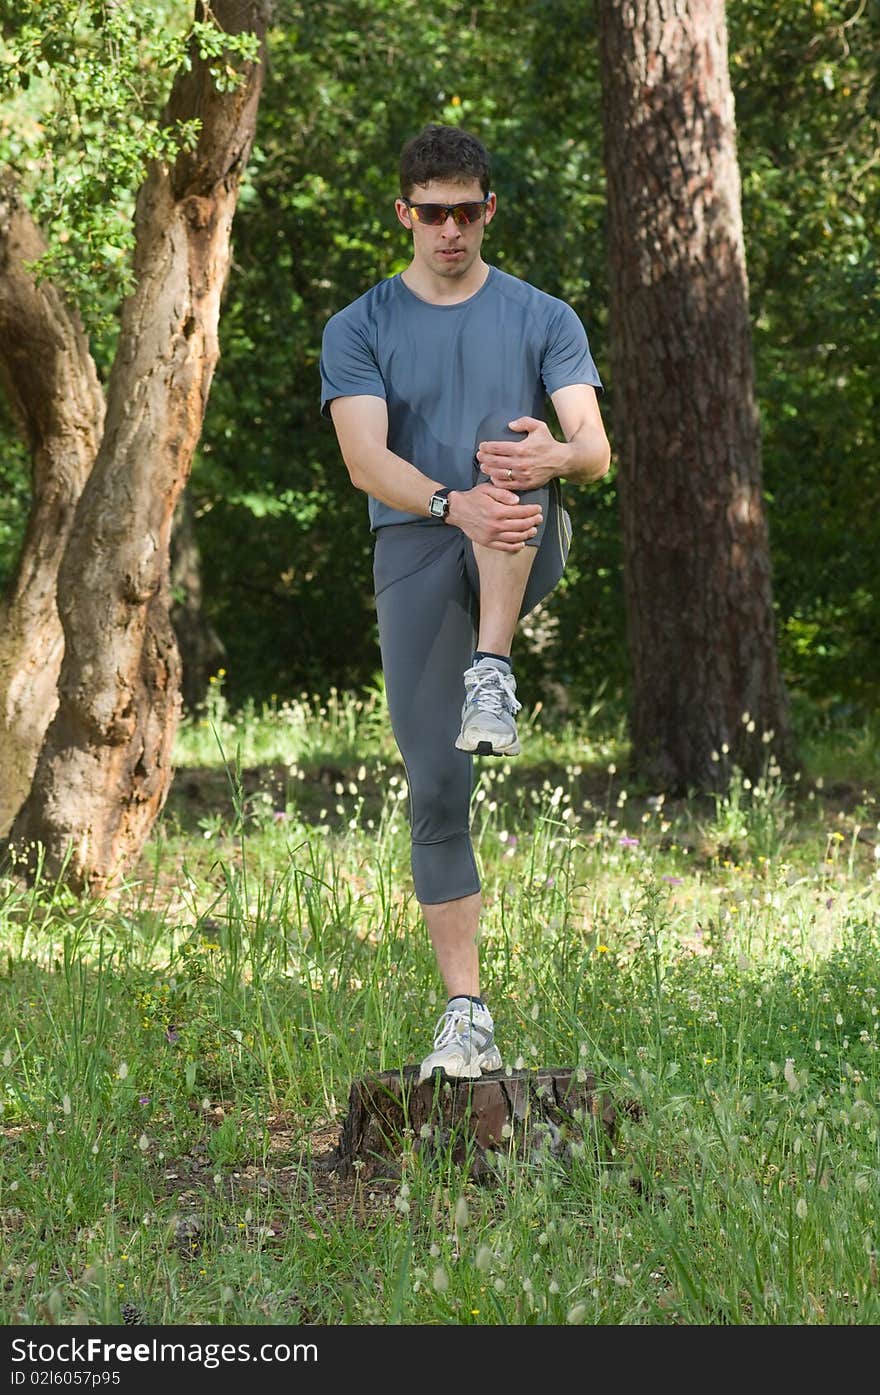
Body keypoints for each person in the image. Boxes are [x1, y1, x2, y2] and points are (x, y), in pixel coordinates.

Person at [319, 124, 610, 1083]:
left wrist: (550, 458)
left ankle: (495, 668)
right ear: (406, 213)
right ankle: (465, 1012)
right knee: (438, 790)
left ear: (490, 211)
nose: (450, 230)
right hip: (415, 545)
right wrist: (452, 502)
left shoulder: (542, 316)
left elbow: (592, 449)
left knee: (509, 449)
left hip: (526, 540)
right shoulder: (359, 325)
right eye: (432, 213)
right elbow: (366, 460)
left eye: (467, 212)